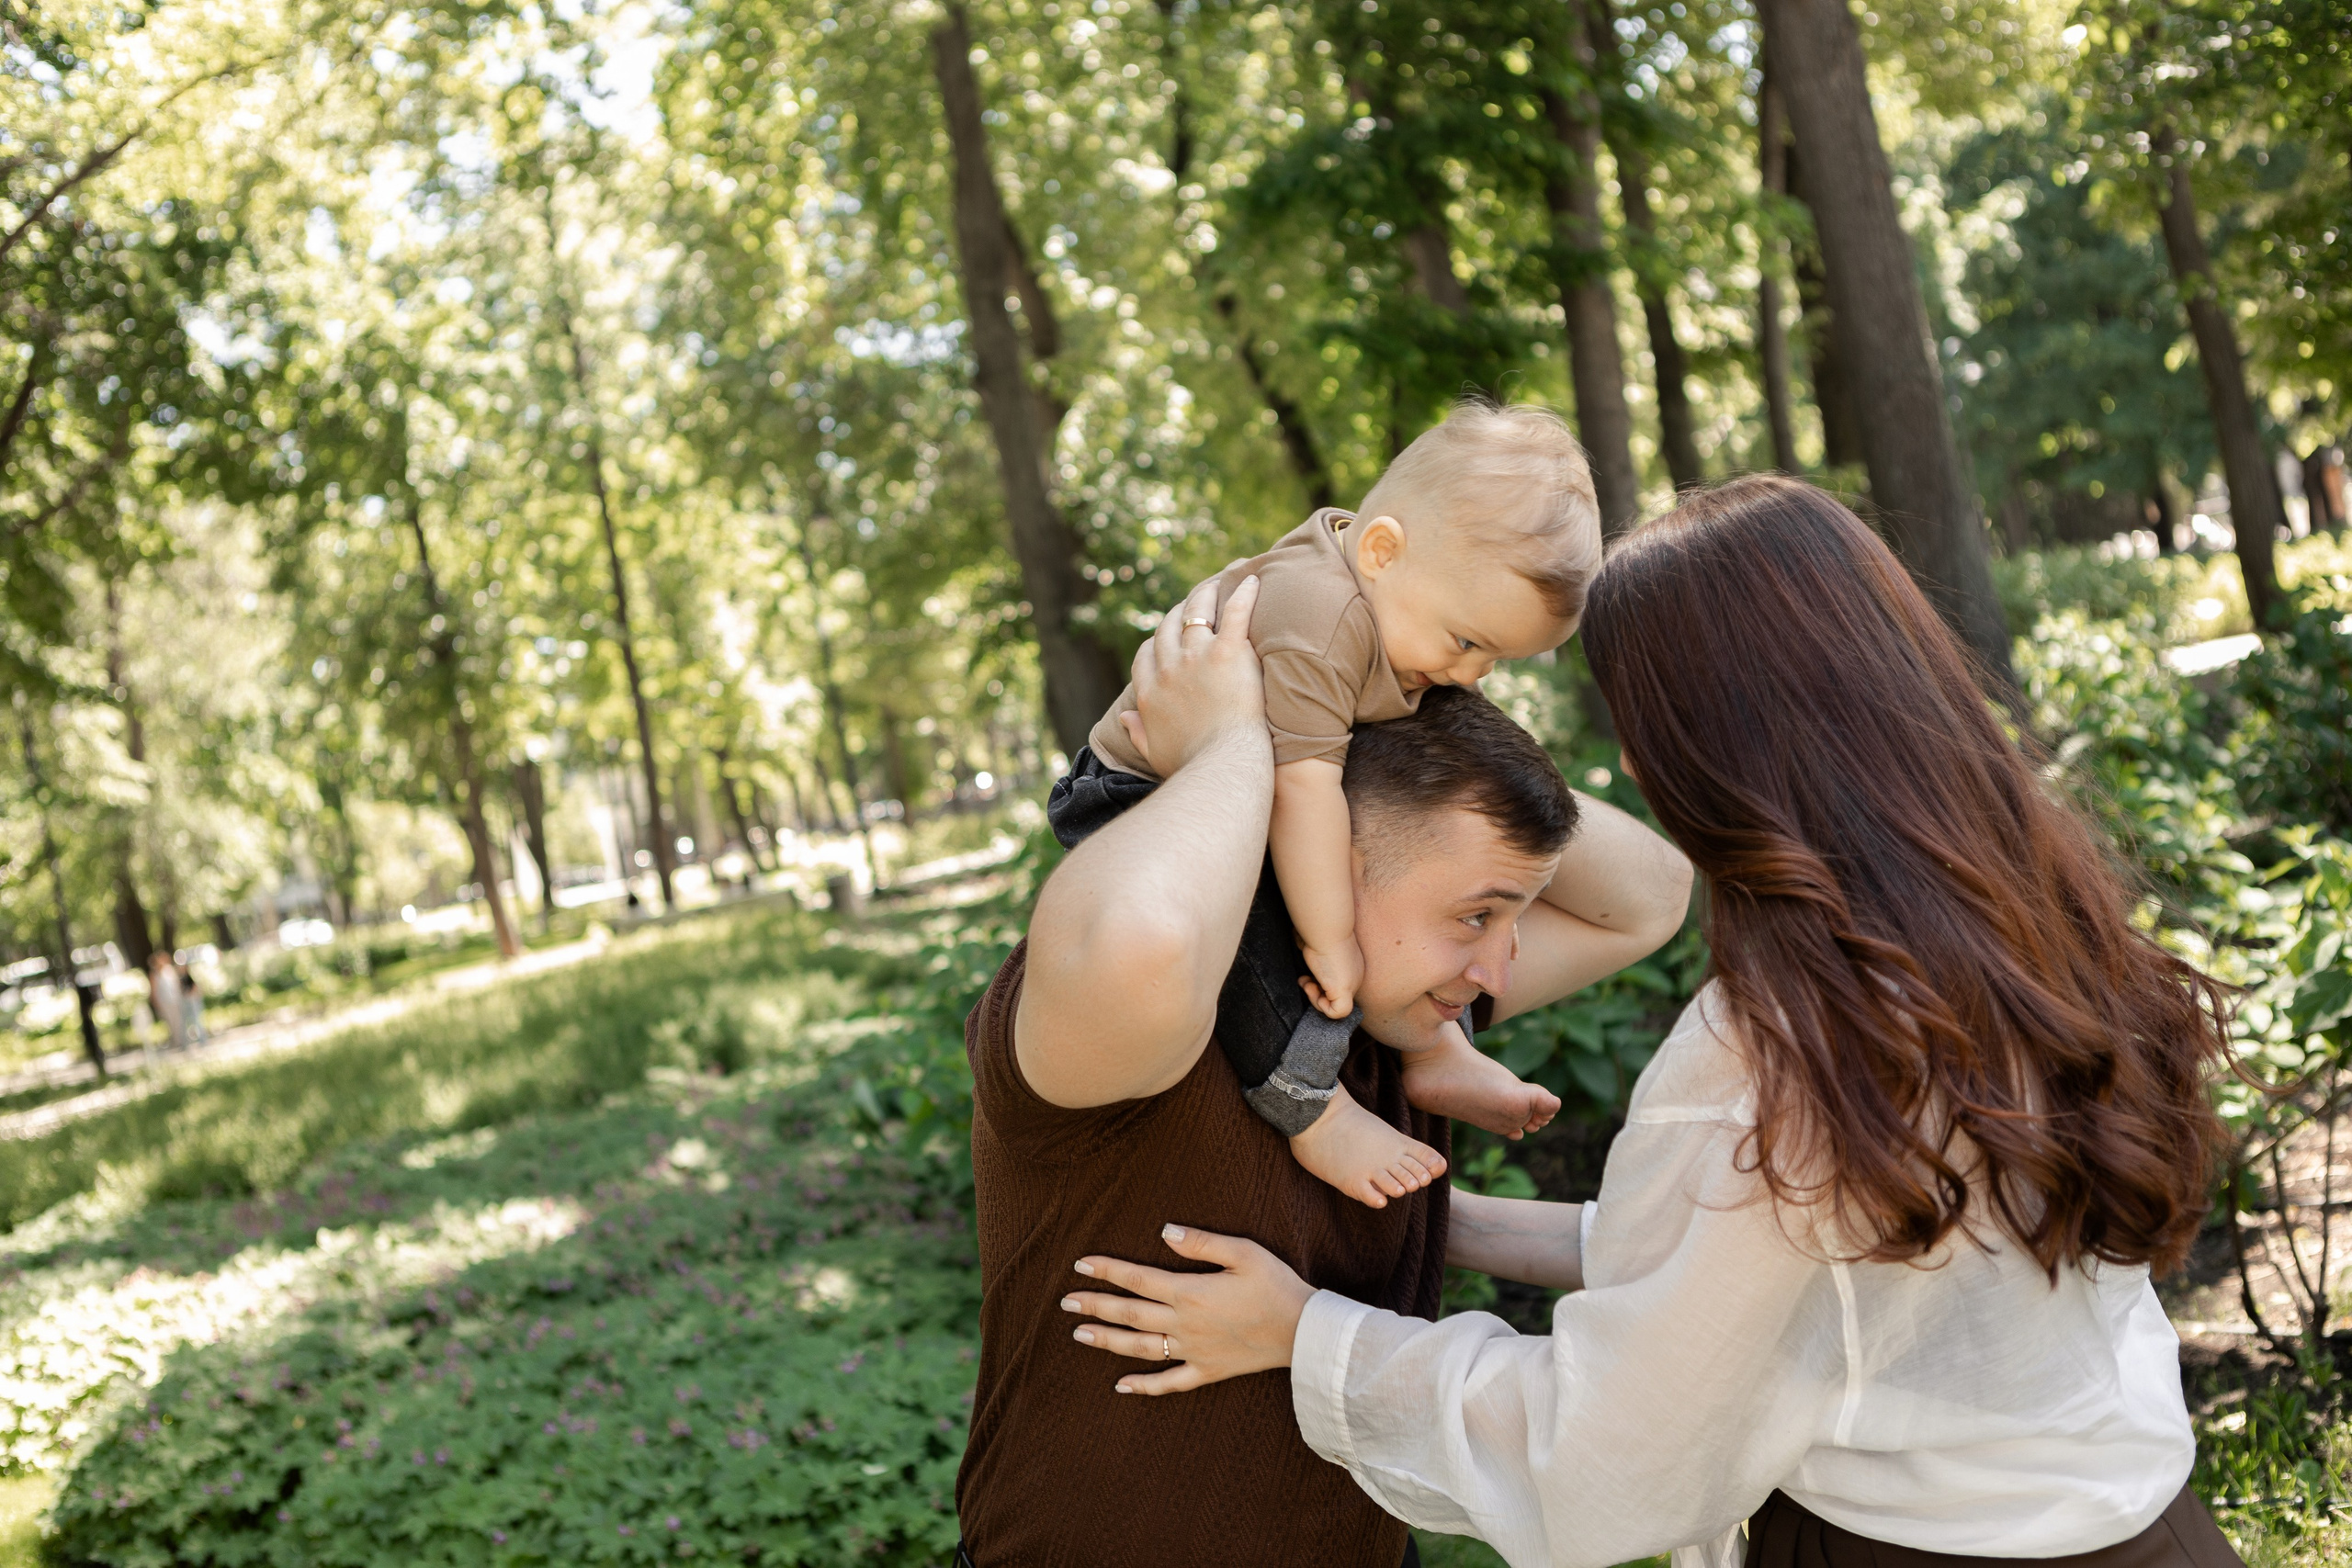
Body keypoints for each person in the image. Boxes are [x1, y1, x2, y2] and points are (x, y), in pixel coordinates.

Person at [1062, 476, 2245, 1568]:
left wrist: (1308, 1335)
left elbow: (1609, 1456)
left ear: (1701, 740)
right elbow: (1810, 1273)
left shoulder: (1781, 1047)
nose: (1624, 757)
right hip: (2156, 1526)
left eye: (1635, 717)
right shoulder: (2025, 931)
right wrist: (1444, 1221)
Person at [958, 572, 1691, 1567]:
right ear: (1325, 868)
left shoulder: (1395, 1015)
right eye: (1478, 914)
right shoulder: (1131, 1017)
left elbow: (1651, 894)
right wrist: (1239, 744)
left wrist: (1377, 685)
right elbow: (1145, 936)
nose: (1500, 967)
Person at [1052, 399, 1603, 1207]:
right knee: (1261, 937)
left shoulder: (1392, 601)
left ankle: (1433, 1049)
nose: (1474, 676)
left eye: (1496, 656)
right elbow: (1304, 793)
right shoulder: (1319, 618)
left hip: (1239, 789)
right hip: (1137, 798)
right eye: (1467, 641)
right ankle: (1309, 1106)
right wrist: (1333, 936)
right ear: (1381, 550)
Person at [147, 950, 186, 1052]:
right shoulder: (154, 974)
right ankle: (176, 1041)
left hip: (175, 999)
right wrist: (156, 1002)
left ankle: (181, 1040)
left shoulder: (169, 970)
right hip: (165, 1002)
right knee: (170, 1021)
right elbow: (153, 991)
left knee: (178, 1020)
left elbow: (177, 984)